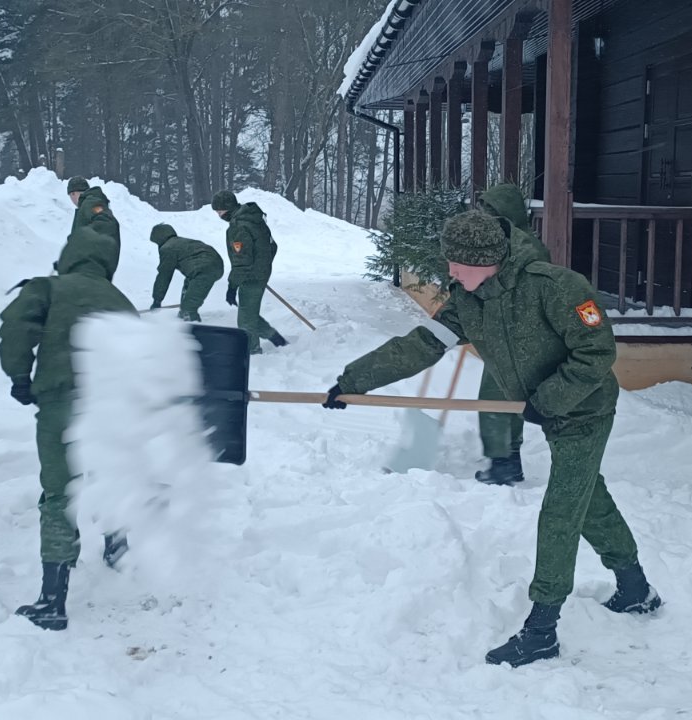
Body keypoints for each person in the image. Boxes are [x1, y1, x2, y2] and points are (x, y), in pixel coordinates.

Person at [323, 210, 661, 667]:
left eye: (456, 263)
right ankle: (635, 587)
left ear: (485, 261)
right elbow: (422, 344)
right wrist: (354, 381)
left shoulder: (556, 287)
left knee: (561, 510)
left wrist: (552, 398)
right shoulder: (468, 300)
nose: (450, 272)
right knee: (587, 497)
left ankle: (542, 630)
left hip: (585, 410)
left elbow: (597, 351)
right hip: (549, 411)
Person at [0, 225, 136, 631]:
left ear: (69, 255)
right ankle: (117, 549)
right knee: (112, 478)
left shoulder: (49, 287)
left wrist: (19, 376)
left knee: (61, 491)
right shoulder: (121, 301)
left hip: (63, 402)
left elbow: (16, 326)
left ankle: (52, 602)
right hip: (113, 407)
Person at [471, 184, 549, 485]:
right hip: (507, 333)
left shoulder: (524, 250)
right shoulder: (507, 244)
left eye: (491, 213)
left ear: (506, 214)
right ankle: (506, 461)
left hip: (517, 336)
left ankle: (503, 464)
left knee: (495, 397)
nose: (486, 218)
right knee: (502, 397)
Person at [211, 190, 287, 354]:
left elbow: (242, 262)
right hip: (258, 274)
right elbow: (272, 246)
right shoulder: (254, 219)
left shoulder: (238, 227)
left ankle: (251, 351)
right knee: (248, 313)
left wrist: (232, 287)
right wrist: (262, 266)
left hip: (250, 277)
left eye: (220, 211)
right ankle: (275, 338)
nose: (219, 215)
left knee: (245, 319)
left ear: (228, 208)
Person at [147, 223, 224, 321]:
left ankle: (192, 323)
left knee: (189, 308)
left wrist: (157, 300)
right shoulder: (181, 242)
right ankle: (183, 313)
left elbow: (164, 276)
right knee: (188, 286)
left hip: (203, 270)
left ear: (159, 239)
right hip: (216, 266)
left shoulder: (167, 248)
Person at [56, 181, 121, 281]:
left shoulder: (91, 202)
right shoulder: (88, 204)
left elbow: (105, 220)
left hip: (92, 268)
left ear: (73, 193)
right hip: (90, 267)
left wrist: (83, 236)